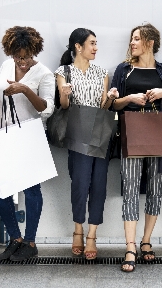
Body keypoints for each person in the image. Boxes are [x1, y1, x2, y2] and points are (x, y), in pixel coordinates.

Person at [0, 26, 55, 262]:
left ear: (34, 51)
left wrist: (24, 89)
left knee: (31, 191)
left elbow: (47, 107)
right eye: (17, 56)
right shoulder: (6, 65)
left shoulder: (44, 73)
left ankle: (30, 242)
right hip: (5, 136)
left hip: (30, 138)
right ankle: (16, 238)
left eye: (25, 57)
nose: (21, 61)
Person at [111, 23, 162, 272]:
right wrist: (129, 99)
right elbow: (113, 105)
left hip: (159, 134)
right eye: (132, 39)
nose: (132, 43)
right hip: (131, 134)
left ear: (150, 42)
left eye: (137, 39)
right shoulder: (123, 70)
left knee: (155, 189)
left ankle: (146, 241)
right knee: (129, 188)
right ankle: (130, 246)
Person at [54, 28, 118, 260]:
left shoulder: (102, 72)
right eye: (92, 43)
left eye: (96, 43)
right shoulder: (64, 71)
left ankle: (92, 234)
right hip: (77, 131)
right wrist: (64, 93)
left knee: (99, 184)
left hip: (100, 132)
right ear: (77, 46)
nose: (96, 48)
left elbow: (104, 106)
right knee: (80, 183)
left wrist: (110, 96)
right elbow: (63, 106)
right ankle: (78, 230)